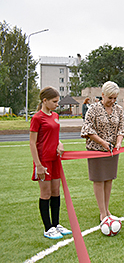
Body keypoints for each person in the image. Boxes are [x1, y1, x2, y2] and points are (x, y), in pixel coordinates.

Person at [80, 79, 124, 233]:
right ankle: (102, 213)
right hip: (96, 150)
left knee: (109, 179)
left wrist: (118, 142)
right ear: (102, 95)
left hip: (112, 151)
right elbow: (87, 129)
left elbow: (121, 128)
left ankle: (107, 210)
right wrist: (102, 142)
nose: (112, 101)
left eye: (115, 98)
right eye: (109, 98)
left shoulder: (118, 110)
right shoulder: (93, 109)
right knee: (99, 180)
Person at [29, 86, 68, 242]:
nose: (57, 104)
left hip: (55, 159)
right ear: (44, 101)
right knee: (45, 194)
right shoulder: (37, 118)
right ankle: (48, 227)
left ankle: (56, 224)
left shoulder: (55, 115)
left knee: (56, 192)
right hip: (43, 160)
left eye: (57, 102)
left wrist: (60, 144)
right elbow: (32, 143)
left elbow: (54, 135)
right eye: (54, 101)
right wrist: (38, 165)